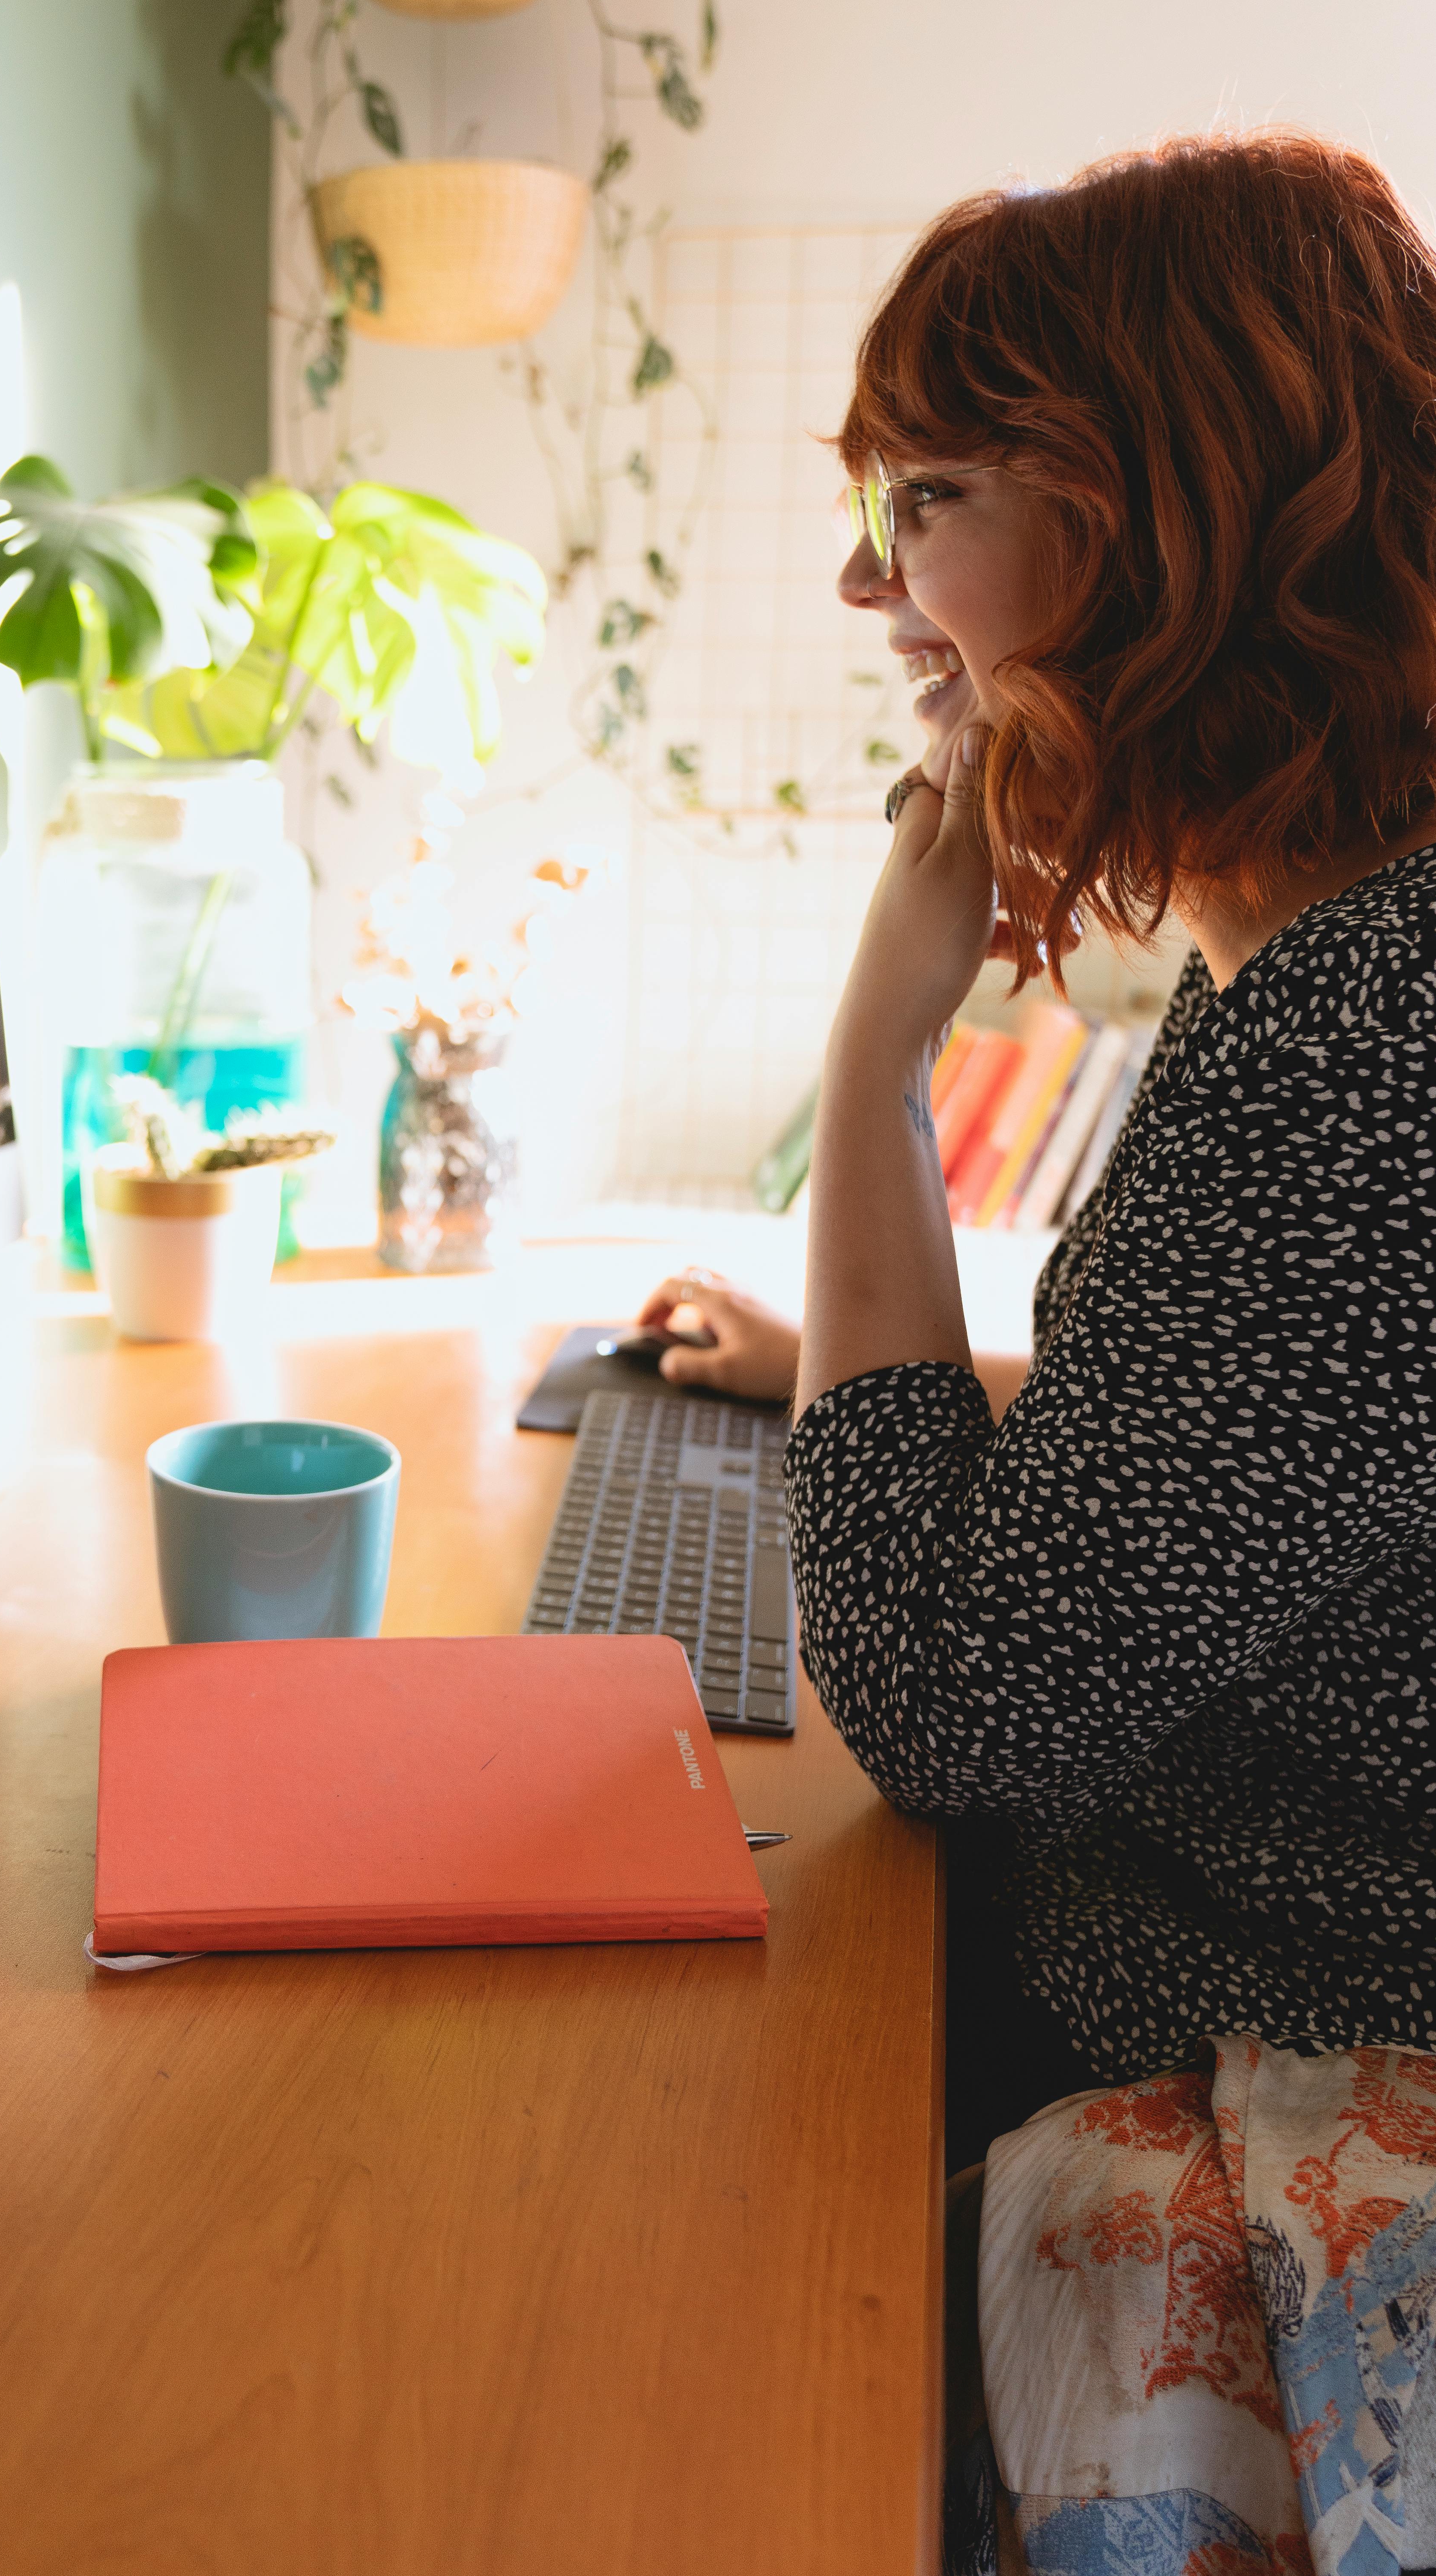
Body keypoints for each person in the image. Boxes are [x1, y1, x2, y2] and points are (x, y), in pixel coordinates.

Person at [637, 134, 1436, 2572]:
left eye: (932, 496)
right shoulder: (1329, 973)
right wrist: (862, 1375)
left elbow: (958, 1701)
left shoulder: (1352, 1045)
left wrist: (875, 1064)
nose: (875, 583)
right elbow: (1241, 1489)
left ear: (1156, 523)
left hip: (1274, 2016)